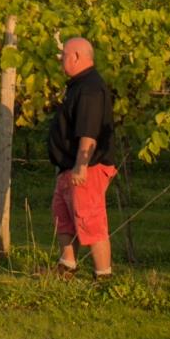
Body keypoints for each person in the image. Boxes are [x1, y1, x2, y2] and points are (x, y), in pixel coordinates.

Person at [50, 36, 118, 280]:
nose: (60, 60)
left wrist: (81, 166)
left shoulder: (89, 88)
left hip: (87, 167)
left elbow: (88, 132)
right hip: (69, 166)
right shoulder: (78, 84)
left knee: (90, 220)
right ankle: (67, 266)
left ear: (76, 56)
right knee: (64, 216)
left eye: (64, 55)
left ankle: (104, 276)